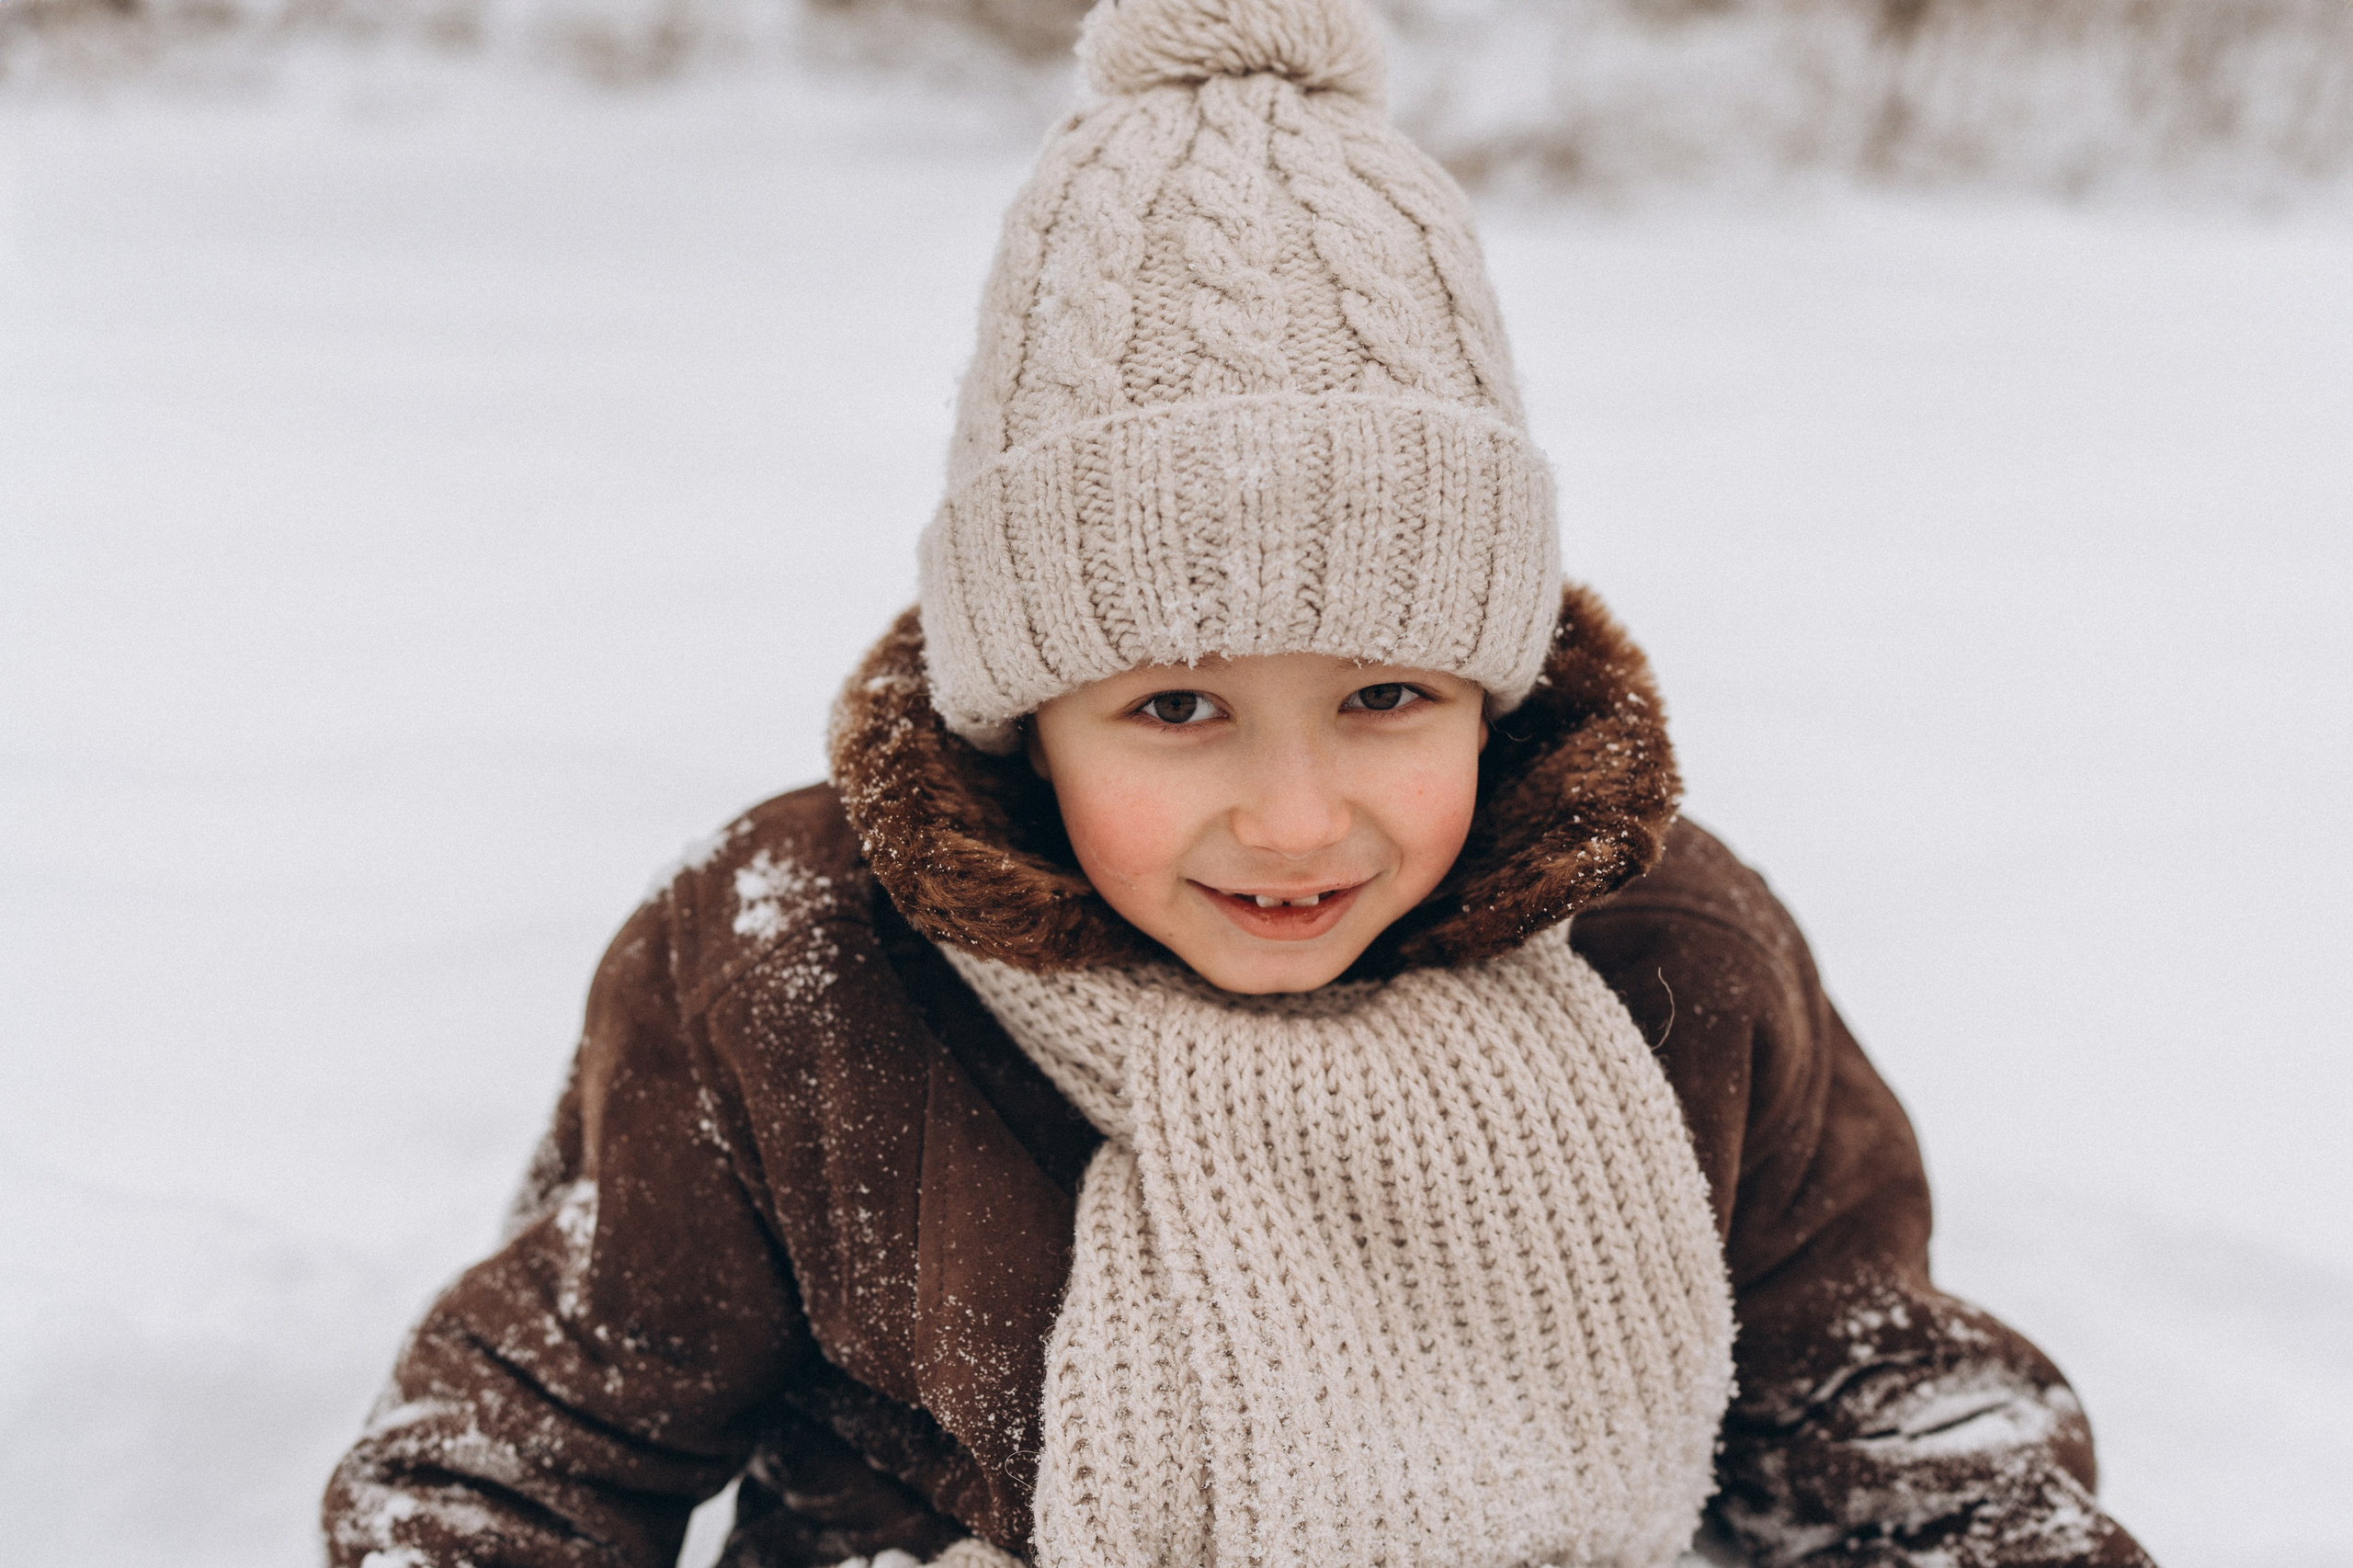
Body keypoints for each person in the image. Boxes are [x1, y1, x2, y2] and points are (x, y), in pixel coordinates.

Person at [323, 0, 2158, 1563]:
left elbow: (1883, 1395)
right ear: (1022, 711)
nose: (1292, 815)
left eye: (1379, 695)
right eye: (1176, 708)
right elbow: (524, 1448)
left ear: (1491, 694)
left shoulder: (1668, 959)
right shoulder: (804, 975)